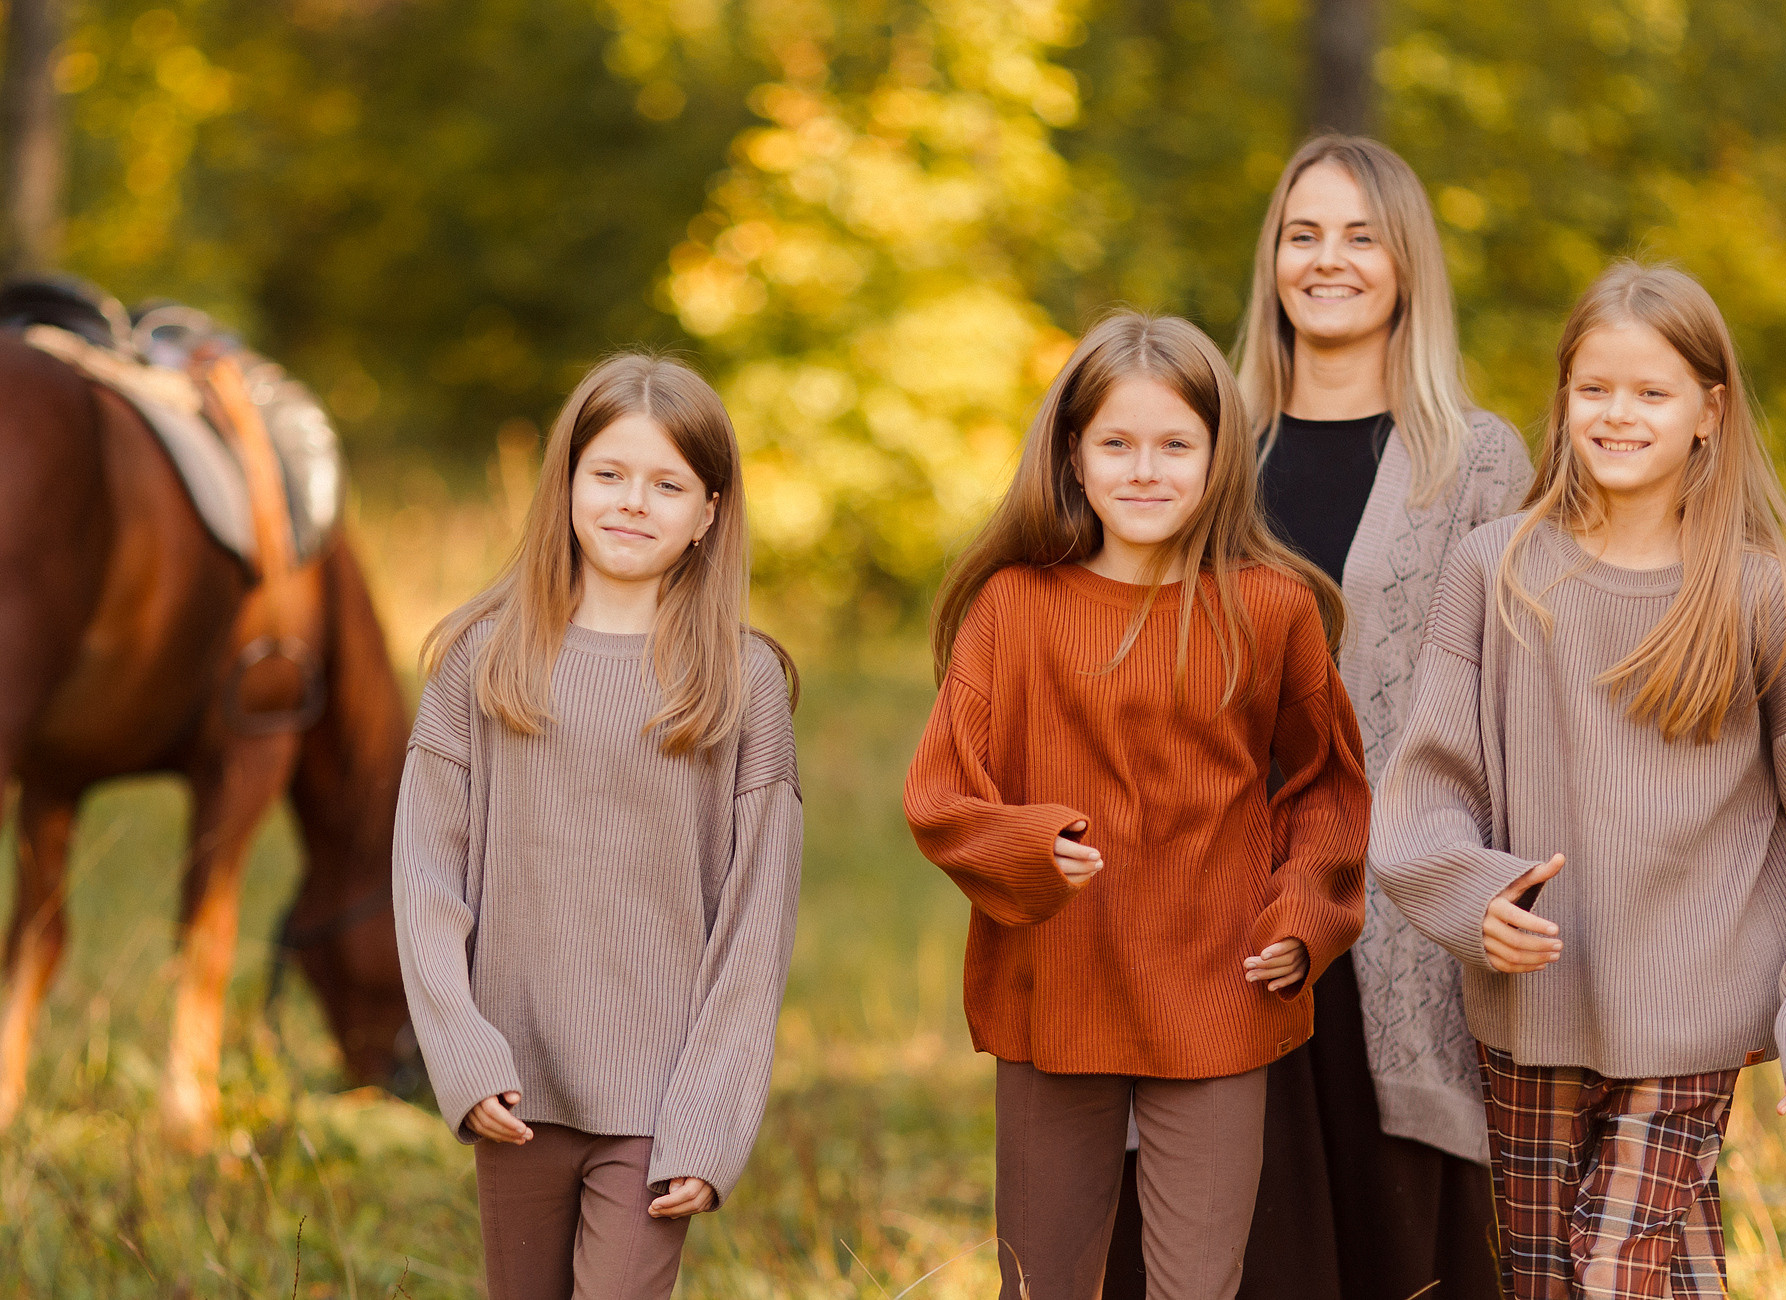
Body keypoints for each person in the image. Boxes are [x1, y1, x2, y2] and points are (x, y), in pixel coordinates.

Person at [1371, 260, 1786, 1298]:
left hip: (1694, 1005)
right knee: (1556, 1275)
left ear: (1709, 411)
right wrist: (1470, 892)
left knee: (1615, 1271)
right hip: (1531, 1005)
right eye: (1595, 389)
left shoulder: (1757, 593)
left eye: (1651, 392)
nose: (1618, 414)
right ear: (1564, 397)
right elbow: (1430, 779)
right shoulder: (1497, 570)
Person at [1108, 135, 1528, 1300]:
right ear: (1272, 261)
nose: (1328, 260)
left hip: (1400, 929)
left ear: (1408, 265)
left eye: (1360, 235)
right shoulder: (1206, 447)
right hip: (1223, 916)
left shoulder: (1480, 461)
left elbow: (1519, 705)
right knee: (1235, 1243)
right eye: (1303, 234)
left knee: (1398, 1252)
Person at [904, 312, 1371, 1300]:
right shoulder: (1015, 607)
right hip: (1056, 983)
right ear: (1073, 456)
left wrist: (1303, 919)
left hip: (1216, 986)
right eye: (1117, 443)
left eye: (1175, 445)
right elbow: (941, 794)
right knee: (1041, 1279)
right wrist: (1033, 844)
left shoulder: (1270, 609)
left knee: (1198, 1284)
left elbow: (1326, 788)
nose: (1145, 470)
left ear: (1220, 458)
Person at [393, 353, 803, 1300]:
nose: (632, 502)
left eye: (668, 484)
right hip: (514, 1085)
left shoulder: (742, 686)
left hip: (658, 1103)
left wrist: (710, 1118)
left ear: (708, 514)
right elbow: (423, 878)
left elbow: (755, 929)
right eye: (609, 474)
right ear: (566, 483)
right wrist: (460, 1052)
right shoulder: (482, 661)